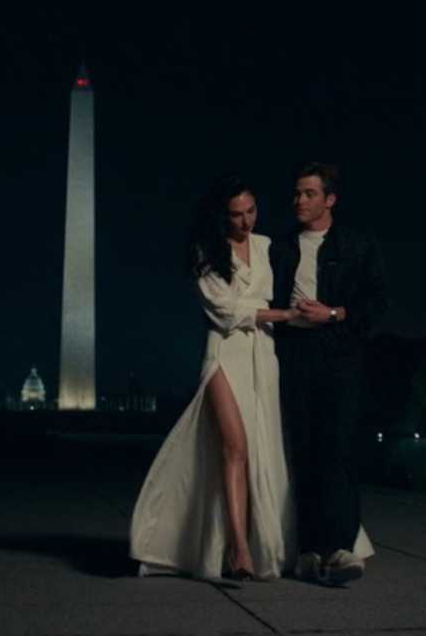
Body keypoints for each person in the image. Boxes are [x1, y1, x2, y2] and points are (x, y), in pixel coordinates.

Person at [129, 175, 302, 581]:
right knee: (234, 445)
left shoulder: (268, 247)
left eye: (251, 211)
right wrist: (283, 315)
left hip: (263, 353)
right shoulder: (206, 252)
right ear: (221, 216)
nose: (246, 221)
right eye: (236, 215)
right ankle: (239, 549)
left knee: (261, 447)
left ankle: (253, 542)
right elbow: (224, 312)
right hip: (224, 352)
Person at [270, 162, 385, 585]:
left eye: (309, 193)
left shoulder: (358, 245)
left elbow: (376, 304)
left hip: (339, 356)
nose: (299, 200)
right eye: (297, 193)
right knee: (303, 451)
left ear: (330, 199)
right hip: (294, 355)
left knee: (338, 449)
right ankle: (308, 549)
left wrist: (333, 313)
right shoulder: (280, 246)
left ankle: (341, 549)